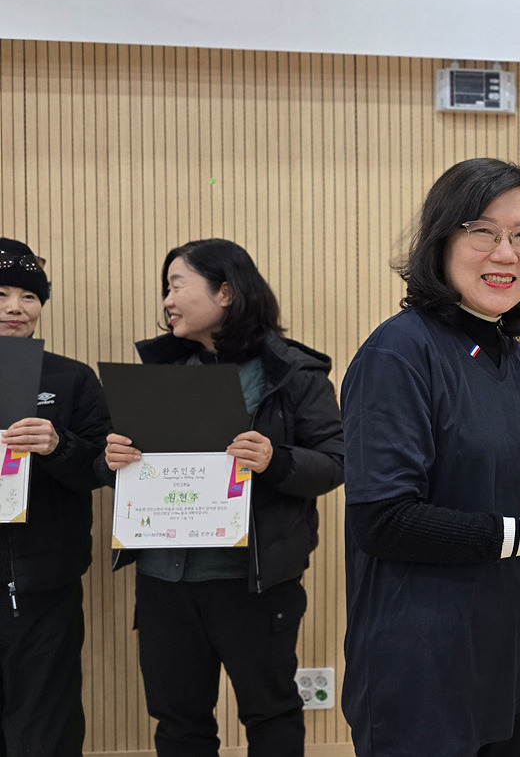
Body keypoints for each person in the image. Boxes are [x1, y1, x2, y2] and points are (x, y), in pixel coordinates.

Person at [341, 158, 520, 757]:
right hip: (423, 658)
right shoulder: (398, 352)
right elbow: (383, 520)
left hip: (507, 649)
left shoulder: (515, 358)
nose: (506, 253)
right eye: (483, 232)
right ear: (442, 241)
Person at [103, 239, 344, 757]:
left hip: (252, 581)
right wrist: (114, 460)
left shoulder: (293, 372)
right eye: (166, 289)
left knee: (271, 713)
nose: (167, 301)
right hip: (164, 579)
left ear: (227, 292)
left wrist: (275, 459)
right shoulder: (161, 373)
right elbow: (127, 470)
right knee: (177, 722)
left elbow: (336, 462)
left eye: (176, 286)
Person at [0, 239, 111, 756]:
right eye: (1, 294)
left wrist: (57, 444)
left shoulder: (70, 378)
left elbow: (102, 468)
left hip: (45, 580)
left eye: (29, 296)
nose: (15, 308)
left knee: (46, 723)